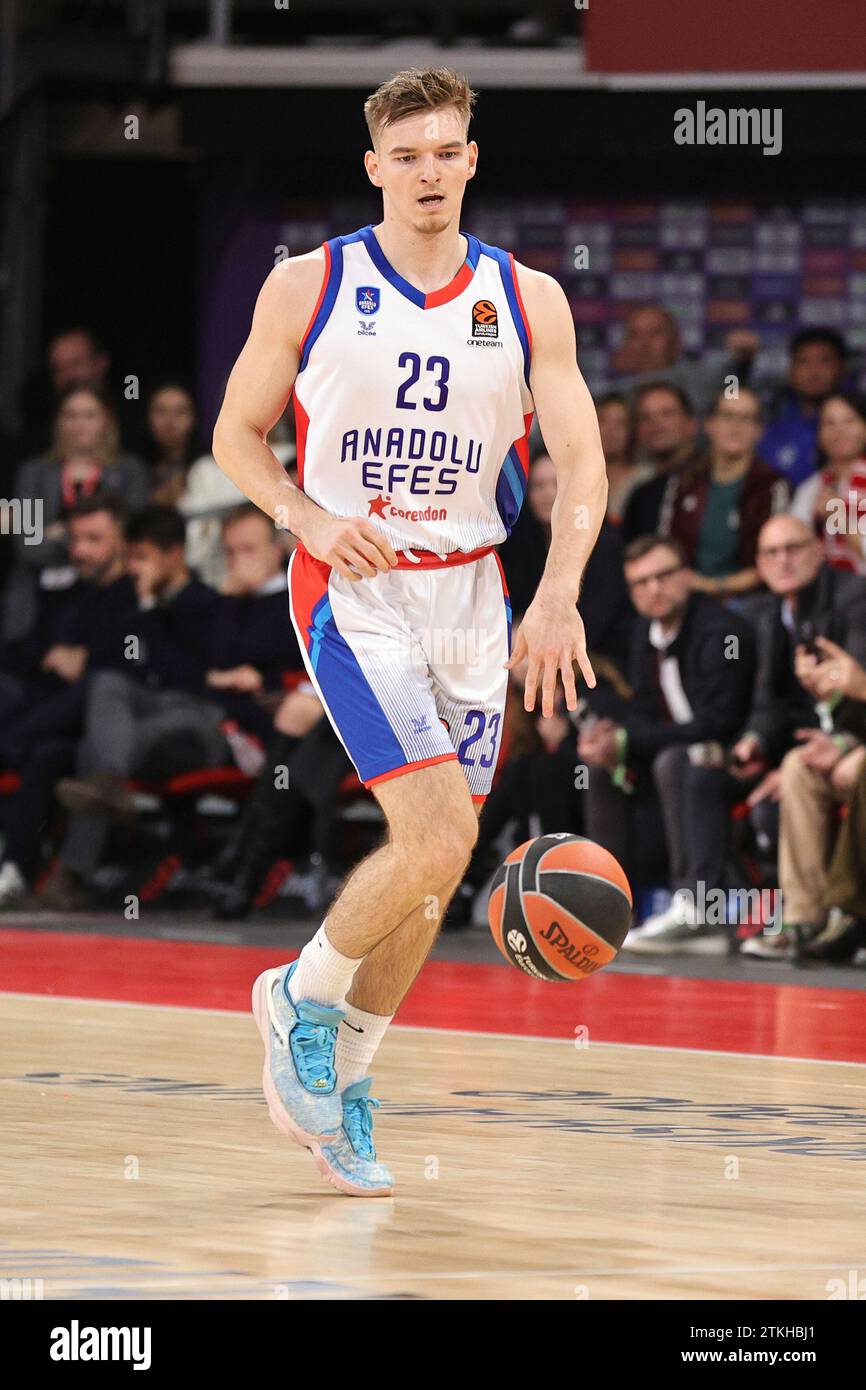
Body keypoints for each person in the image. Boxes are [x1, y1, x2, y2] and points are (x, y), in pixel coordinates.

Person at [211, 66, 608, 1196]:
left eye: (448, 150)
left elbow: (581, 461)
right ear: (375, 166)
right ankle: (299, 992)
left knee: (439, 873)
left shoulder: (528, 297)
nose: (429, 171)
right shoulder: (308, 284)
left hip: (472, 595)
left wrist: (560, 588)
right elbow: (237, 436)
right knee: (431, 832)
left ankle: (346, 1080)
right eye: (409, 154)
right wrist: (306, 517)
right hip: (353, 587)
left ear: (470, 159)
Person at [35, 506, 223, 911]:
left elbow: (184, 676)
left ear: (174, 554)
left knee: (97, 749)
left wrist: (150, 608)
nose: (134, 568)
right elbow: (124, 665)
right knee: (106, 686)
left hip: (197, 723)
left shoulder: (204, 602)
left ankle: (73, 870)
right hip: (145, 718)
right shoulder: (133, 603)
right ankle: (103, 802)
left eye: (143, 558)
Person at [579, 535, 756, 954]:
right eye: (640, 582)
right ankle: (608, 907)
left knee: (675, 761)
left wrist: (628, 739)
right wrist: (611, 738)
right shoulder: (646, 633)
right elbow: (642, 711)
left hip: (734, 760)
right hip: (674, 763)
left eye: (663, 576)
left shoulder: (722, 631)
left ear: (687, 576)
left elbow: (719, 722)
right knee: (597, 769)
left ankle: (698, 912)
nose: (652, 589)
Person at [2, 386, 149, 646]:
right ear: (58, 422)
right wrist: (90, 542)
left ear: (106, 420)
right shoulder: (33, 472)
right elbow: (28, 544)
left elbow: (129, 539)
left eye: (89, 415)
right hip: (39, 599)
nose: (79, 424)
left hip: (107, 596)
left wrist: (60, 534)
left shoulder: (129, 471)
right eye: (70, 415)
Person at [659, 388, 790, 597]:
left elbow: (777, 559)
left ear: (759, 430)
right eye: (727, 416)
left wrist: (711, 586)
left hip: (751, 602)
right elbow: (665, 548)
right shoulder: (683, 482)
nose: (735, 427)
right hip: (684, 597)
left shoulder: (771, 486)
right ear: (710, 425)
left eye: (746, 419)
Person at [603, 305, 759, 418]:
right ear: (625, 346)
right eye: (635, 336)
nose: (645, 344)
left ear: (675, 342)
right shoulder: (616, 396)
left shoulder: (701, 379)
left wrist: (742, 358)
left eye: (654, 334)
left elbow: (733, 371)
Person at [759, 328, 848, 488]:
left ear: (842, 369)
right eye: (804, 361)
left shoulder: (859, 426)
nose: (814, 372)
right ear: (790, 371)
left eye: (825, 361)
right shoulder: (770, 422)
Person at [790, 391, 866, 575]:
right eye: (829, 423)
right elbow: (791, 550)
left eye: (849, 421)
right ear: (819, 433)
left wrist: (838, 517)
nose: (839, 431)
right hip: (822, 594)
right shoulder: (812, 488)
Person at [621, 383, 702, 541]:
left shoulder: (715, 479)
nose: (656, 424)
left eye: (667, 414)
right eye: (645, 417)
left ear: (691, 424)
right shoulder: (641, 496)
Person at [594, 391, 651, 524]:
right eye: (602, 420)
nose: (610, 430)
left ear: (632, 431)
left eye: (620, 423)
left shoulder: (646, 478)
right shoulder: (576, 478)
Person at [143, 383, 202, 506]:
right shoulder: (133, 468)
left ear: (194, 418)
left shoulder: (211, 466)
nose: (169, 420)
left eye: (180, 412)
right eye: (161, 411)